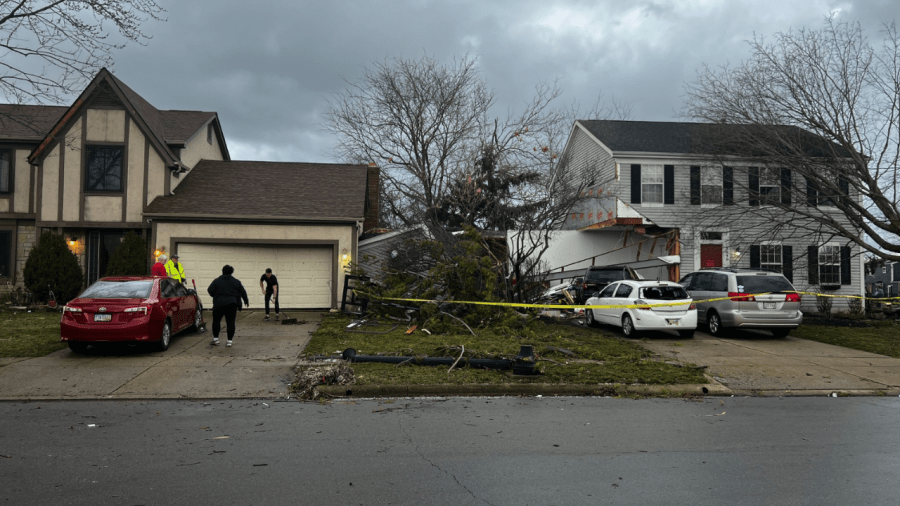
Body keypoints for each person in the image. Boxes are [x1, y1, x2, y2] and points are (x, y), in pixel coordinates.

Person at [207, 264, 249, 347]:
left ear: (222, 271)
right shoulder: (236, 281)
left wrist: (216, 296)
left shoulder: (217, 280)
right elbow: (243, 291)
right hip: (232, 304)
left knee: (216, 321)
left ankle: (216, 339)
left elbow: (210, 290)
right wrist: (246, 300)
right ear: (232, 272)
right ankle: (229, 341)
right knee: (230, 322)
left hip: (218, 304)